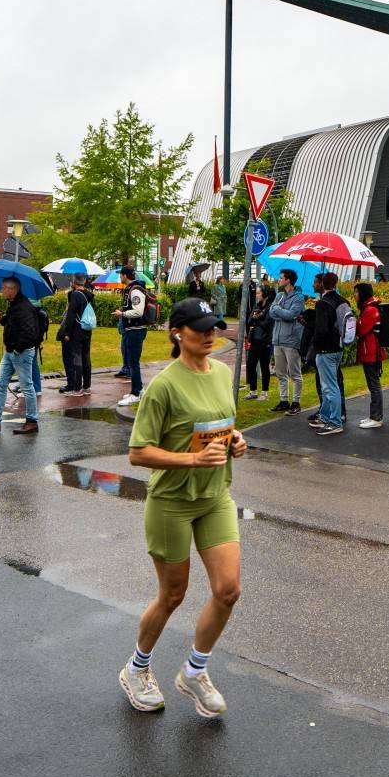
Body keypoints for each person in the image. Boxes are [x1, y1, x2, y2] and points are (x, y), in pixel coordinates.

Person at [119, 298, 246, 718]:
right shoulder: (164, 386)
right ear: (177, 332)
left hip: (215, 496)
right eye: (200, 329)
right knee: (172, 595)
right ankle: (137, 669)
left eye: (213, 328)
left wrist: (235, 440)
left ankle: (194, 671)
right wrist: (192, 459)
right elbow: (138, 452)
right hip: (172, 502)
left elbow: (219, 424)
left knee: (228, 591)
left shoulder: (222, 372)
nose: (210, 335)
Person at [0, 276, 40, 435]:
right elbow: (14, 325)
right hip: (11, 351)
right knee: (0, 384)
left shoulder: (24, 307)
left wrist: (18, 349)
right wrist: (2, 320)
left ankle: (32, 421)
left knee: (27, 386)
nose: (1, 290)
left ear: (12, 289)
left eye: (3, 287)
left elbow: (29, 332)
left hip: (20, 352)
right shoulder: (15, 305)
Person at [310, 272, 345, 436]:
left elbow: (321, 329)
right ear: (336, 283)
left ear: (322, 284)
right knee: (329, 385)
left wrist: (314, 343)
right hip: (338, 347)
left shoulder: (323, 303)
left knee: (330, 387)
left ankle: (335, 422)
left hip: (325, 349)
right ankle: (325, 417)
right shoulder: (342, 301)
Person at [268, 269, 306, 415]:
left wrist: (278, 310)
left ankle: (296, 402)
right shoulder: (279, 295)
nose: (279, 280)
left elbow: (291, 315)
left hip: (291, 340)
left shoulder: (298, 297)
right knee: (280, 373)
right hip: (277, 339)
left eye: (281, 278)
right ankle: (283, 401)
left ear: (288, 280)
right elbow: (271, 313)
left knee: (295, 373)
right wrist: (281, 312)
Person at [116, 266, 150, 408]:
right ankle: (138, 389)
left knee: (133, 363)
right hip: (132, 329)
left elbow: (138, 311)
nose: (120, 277)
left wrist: (122, 314)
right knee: (132, 362)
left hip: (136, 330)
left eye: (121, 275)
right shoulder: (132, 288)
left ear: (125, 275)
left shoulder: (135, 290)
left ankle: (135, 394)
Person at [354, 282, 385, 429]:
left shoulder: (369, 310)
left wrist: (355, 322)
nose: (354, 295)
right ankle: (374, 415)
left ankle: (376, 417)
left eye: (356, 292)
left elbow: (361, 330)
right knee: (373, 385)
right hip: (372, 351)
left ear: (362, 293)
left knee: (374, 385)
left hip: (371, 352)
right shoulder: (370, 307)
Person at [58, 273, 94, 396]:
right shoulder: (89, 294)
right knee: (86, 356)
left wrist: (67, 332)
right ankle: (86, 386)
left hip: (77, 329)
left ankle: (77, 388)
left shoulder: (75, 295)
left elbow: (71, 315)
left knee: (76, 357)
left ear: (74, 282)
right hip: (87, 328)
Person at [243, 283, 274, 400]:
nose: (256, 295)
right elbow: (249, 321)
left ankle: (264, 392)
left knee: (264, 367)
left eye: (258, 293)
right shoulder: (257, 306)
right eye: (256, 293)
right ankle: (253, 391)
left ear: (265, 294)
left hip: (265, 341)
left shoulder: (270, 307)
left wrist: (258, 318)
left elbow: (267, 324)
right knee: (251, 365)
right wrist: (257, 318)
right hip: (255, 339)